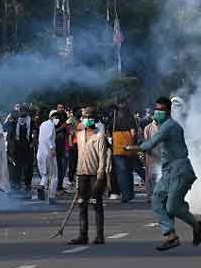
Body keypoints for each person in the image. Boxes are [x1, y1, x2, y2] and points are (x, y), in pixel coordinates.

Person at [125, 97, 201, 251]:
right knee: (156, 199)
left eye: (160, 110)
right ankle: (170, 235)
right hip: (168, 170)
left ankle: (196, 224)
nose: (157, 113)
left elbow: (150, 143)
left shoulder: (170, 126)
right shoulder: (165, 126)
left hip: (180, 170)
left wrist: (131, 148)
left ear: (168, 111)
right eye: (156, 109)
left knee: (172, 207)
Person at [69, 107, 111, 245]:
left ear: (94, 119)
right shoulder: (79, 135)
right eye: (84, 117)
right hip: (82, 173)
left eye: (89, 117)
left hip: (95, 174)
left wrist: (100, 177)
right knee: (81, 204)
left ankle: (100, 236)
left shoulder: (100, 137)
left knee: (96, 203)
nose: (86, 119)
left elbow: (103, 158)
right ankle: (83, 235)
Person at [111, 103, 138, 203]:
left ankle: (126, 195)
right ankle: (130, 194)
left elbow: (108, 133)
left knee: (122, 173)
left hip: (117, 149)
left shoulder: (114, 119)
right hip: (129, 148)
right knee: (129, 171)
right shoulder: (130, 118)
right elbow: (133, 133)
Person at [11, 105, 34, 195]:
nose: (22, 112)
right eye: (21, 111)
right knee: (18, 166)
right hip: (18, 146)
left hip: (28, 146)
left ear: (26, 112)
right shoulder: (15, 121)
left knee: (28, 167)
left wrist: (33, 143)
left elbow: (35, 133)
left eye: (24, 111)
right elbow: (11, 132)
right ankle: (17, 185)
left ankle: (28, 185)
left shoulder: (31, 121)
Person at [37, 110, 59, 202]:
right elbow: (49, 139)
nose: (56, 119)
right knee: (54, 175)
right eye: (55, 116)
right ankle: (52, 196)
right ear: (51, 116)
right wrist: (52, 149)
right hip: (49, 153)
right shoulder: (51, 125)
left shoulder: (43, 124)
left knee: (45, 174)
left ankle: (41, 186)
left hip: (40, 153)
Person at [142, 117, 161, 203]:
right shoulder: (148, 128)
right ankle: (149, 195)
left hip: (162, 154)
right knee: (149, 176)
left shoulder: (164, 126)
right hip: (151, 155)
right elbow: (146, 142)